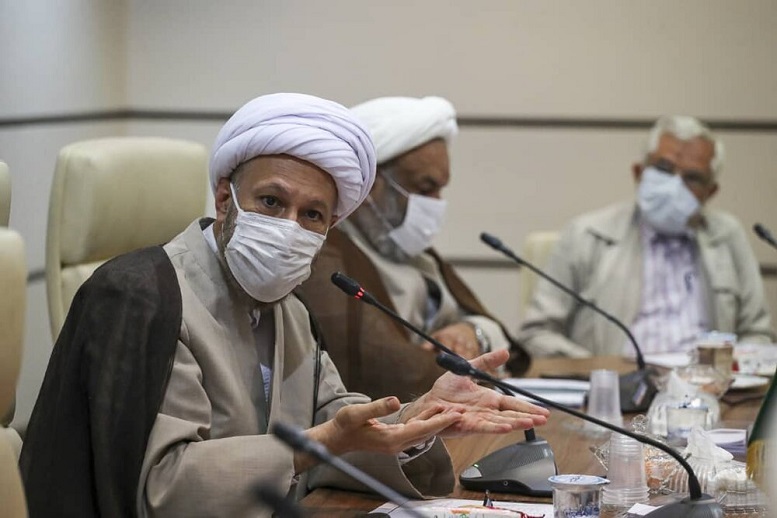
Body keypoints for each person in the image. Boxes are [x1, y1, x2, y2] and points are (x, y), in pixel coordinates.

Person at [20, 93, 548, 518]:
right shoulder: (142, 296)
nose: (289, 228)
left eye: (312, 214)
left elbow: (334, 424)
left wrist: (419, 418)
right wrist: (310, 447)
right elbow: (162, 490)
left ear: (330, 227)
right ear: (224, 198)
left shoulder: (288, 307)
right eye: (271, 202)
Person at [296, 96, 530, 401]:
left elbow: (492, 330)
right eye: (425, 188)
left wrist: (472, 333)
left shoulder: (411, 248)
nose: (436, 203)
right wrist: (478, 378)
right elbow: (385, 371)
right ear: (369, 185)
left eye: (440, 189)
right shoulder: (325, 251)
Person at [518, 115, 774, 358]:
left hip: (710, 384)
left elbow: (758, 334)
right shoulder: (587, 234)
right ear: (639, 173)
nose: (674, 186)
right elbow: (536, 335)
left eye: (692, 178)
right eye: (663, 169)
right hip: (616, 385)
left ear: (711, 191)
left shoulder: (728, 236)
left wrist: (731, 369)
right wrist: (601, 372)